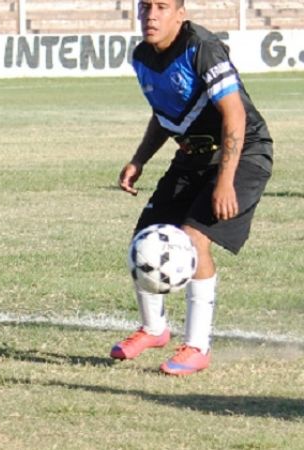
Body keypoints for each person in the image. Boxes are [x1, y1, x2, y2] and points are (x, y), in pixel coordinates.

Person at [111, 0, 273, 375]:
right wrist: (139, 160)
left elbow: (235, 115)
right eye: (145, 6)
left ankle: (198, 347)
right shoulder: (142, 57)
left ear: (180, 14)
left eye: (162, 7)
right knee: (145, 238)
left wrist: (226, 181)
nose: (151, 14)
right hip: (193, 156)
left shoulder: (203, 48)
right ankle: (154, 330)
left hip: (244, 151)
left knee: (193, 239)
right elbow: (163, 113)